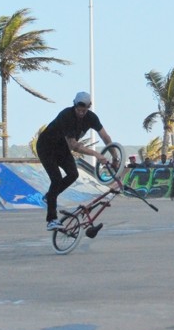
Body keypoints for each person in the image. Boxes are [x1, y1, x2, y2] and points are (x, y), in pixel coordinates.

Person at [36, 92, 117, 231]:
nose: (80, 112)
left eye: (84, 110)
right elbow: (74, 145)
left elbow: (104, 136)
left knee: (73, 174)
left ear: (89, 107)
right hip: (46, 146)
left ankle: (50, 196)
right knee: (56, 179)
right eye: (78, 109)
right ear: (74, 105)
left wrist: (115, 156)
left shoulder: (91, 118)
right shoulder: (66, 115)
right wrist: (97, 154)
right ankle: (51, 220)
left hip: (61, 148)